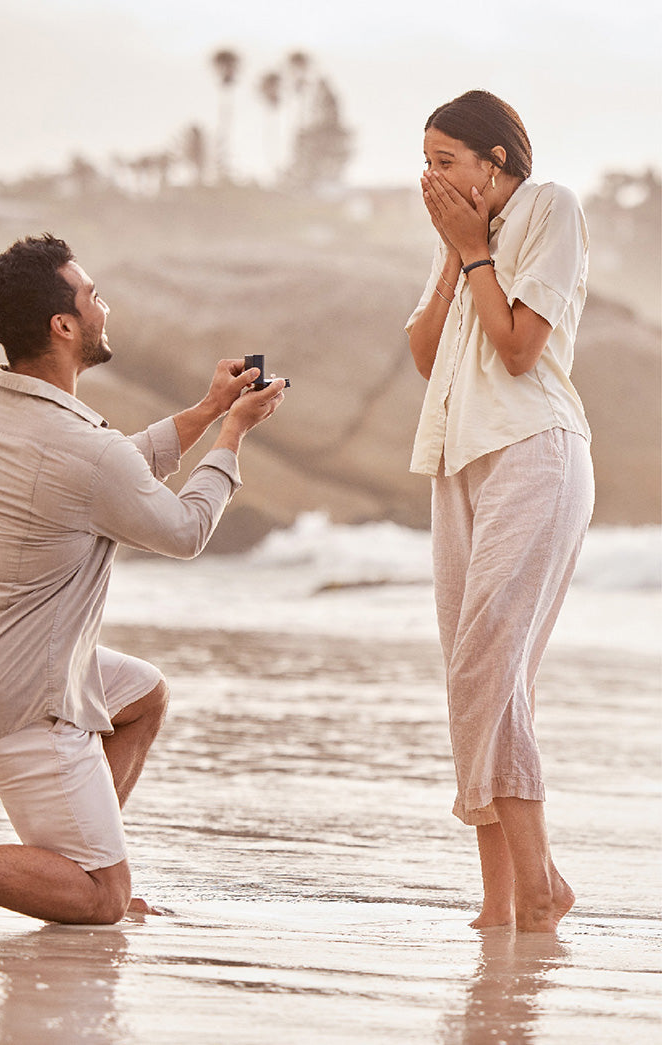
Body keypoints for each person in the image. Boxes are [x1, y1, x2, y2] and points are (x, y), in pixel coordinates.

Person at [0, 233, 286, 926]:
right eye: (92, 297)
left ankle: (75, 857)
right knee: (103, 900)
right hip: (18, 691)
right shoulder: (83, 451)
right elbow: (182, 530)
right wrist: (232, 436)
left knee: (143, 695)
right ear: (63, 325)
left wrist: (210, 408)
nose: (104, 307)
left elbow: (106, 468)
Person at [406, 91, 594, 932]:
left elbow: (519, 350)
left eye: (447, 160)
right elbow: (424, 353)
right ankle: (502, 898)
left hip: (534, 451)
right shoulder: (462, 241)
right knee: (472, 677)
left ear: (497, 161)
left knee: (490, 664)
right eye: (427, 161)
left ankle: (540, 884)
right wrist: (455, 253)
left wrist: (477, 249)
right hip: (459, 461)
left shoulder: (550, 206)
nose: (432, 176)